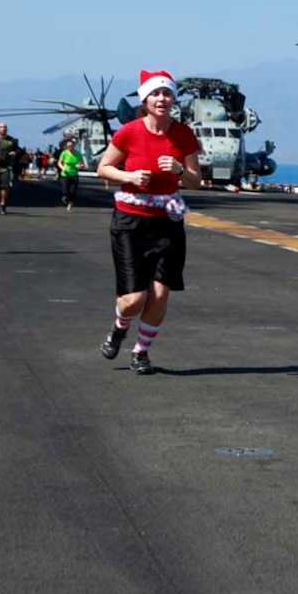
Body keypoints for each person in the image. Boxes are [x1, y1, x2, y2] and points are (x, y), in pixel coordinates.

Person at [96, 69, 201, 375]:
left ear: (173, 99)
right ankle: (119, 326)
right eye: (155, 93)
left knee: (159, 293)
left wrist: (181, 170)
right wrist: (128, 175)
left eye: (167, 93)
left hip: (167, 221)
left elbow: (195, 182)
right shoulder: (128, 132)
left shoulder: (183, 134)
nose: (162, 99)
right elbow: (104, 168)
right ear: (144, 99)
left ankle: (140, 352)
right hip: (130, 221)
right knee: (133, 299)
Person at [0, 121, 19, 214]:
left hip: (6, 166)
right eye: (1, 127)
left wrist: (14, 153)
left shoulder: (12, 140)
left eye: (5, 127)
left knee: (5, 187)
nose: (3, 129)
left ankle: (3, 204)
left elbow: (16, 150)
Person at [57, 138, 86, 211]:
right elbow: (59, 162)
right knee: (65, 190)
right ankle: (65, 197)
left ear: (74, 146)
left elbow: (82, 164)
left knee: (73, 191)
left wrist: (80, 166)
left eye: (72, 146)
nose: (70, 147)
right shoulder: (64, 153)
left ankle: (70, 204)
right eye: (69, 146)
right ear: (67, 147)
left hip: (74, 174)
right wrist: (63, 168)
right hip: (65, 174)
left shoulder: (78, 154)